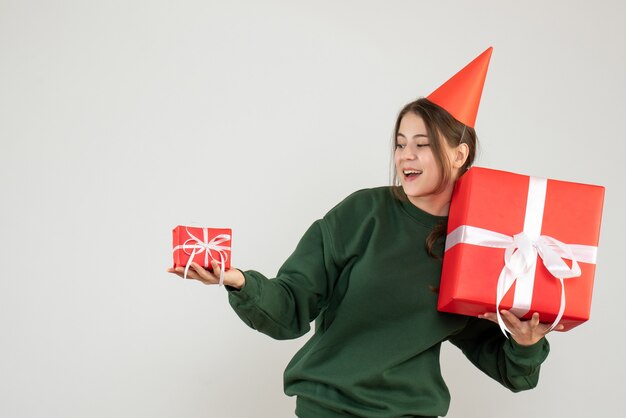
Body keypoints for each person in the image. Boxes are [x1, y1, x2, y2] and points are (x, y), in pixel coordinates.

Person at [168, 48, 561, 418]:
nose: (405, 155)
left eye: (422, 145)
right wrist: (238, 282)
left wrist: (526, 344)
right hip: (327, 408)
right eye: (400, 144)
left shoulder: (479, 244)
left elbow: (510, 370)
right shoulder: (362, 213)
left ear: (459, 155)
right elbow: (289, 308)